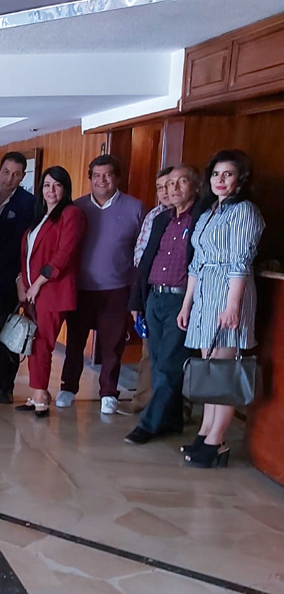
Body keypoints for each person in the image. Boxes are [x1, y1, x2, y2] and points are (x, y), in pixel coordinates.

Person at [177, 150, 265, 468]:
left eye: (228, 174)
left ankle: (217, 441)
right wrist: (187, 304)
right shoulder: (209, 212)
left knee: (223, 373)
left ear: (240, 179)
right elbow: (196, 264)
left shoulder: (244, 211)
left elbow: (240, 261)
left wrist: (232, 306)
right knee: (210, 370)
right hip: (205, 296)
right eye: (216, 174)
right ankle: (205, 432)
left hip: (229, 295)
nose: (220, 180)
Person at [58, 155, 144, 414]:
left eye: (107, 175)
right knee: (75, 343)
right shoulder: (77, 207)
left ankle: (108, 392)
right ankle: (68, 387)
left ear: (116, 177)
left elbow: (141, 249)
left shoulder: (135, 208)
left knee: (113, 345)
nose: (102, 180)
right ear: (90, 179)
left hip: (118, 288)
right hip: (81, 287)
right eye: (96, 175)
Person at [125, 164, 204, 444]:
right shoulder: (161, 219)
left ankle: (148, 424)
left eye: (182, 182)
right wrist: (136, 300)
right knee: (158, 364)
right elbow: (146, 261)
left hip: (182, 301)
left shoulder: (202, 218)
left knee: (171, 365)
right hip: (154, 298)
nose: (174, 188)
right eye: (170, 183)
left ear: (195, 186)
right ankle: (172, 420)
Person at [15, 167, 86, 417]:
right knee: (33, 342)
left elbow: (64, 254)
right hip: (33, 291)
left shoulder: (71, 213)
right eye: (47, 185)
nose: (51, 190)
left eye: (57, 185)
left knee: (42, 342)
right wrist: (22, 282)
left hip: (53, 289)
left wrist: (38, 283)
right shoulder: (40, 217)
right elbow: (28, 257)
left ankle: (40, 395)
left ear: (65, 188)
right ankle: (38, 392)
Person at [0, 151, 35, 404]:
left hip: (9, 279)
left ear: (22, 177)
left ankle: (5, 387)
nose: (9, 178)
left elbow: (27, 245)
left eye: (16, 174)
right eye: (6, 172)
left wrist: (21, 278)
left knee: (8, 334)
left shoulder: (29, 203)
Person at [128, 166, 176, 415]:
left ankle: (172, 409)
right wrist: (137, 300)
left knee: (174, 356)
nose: (165, 192)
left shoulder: (193, 216)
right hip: (151, 292)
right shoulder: (153, 216)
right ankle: (143, 402)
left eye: (169, 185)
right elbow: (141, 257)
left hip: (178, 296)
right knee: (149, 352)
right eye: (160, 187)